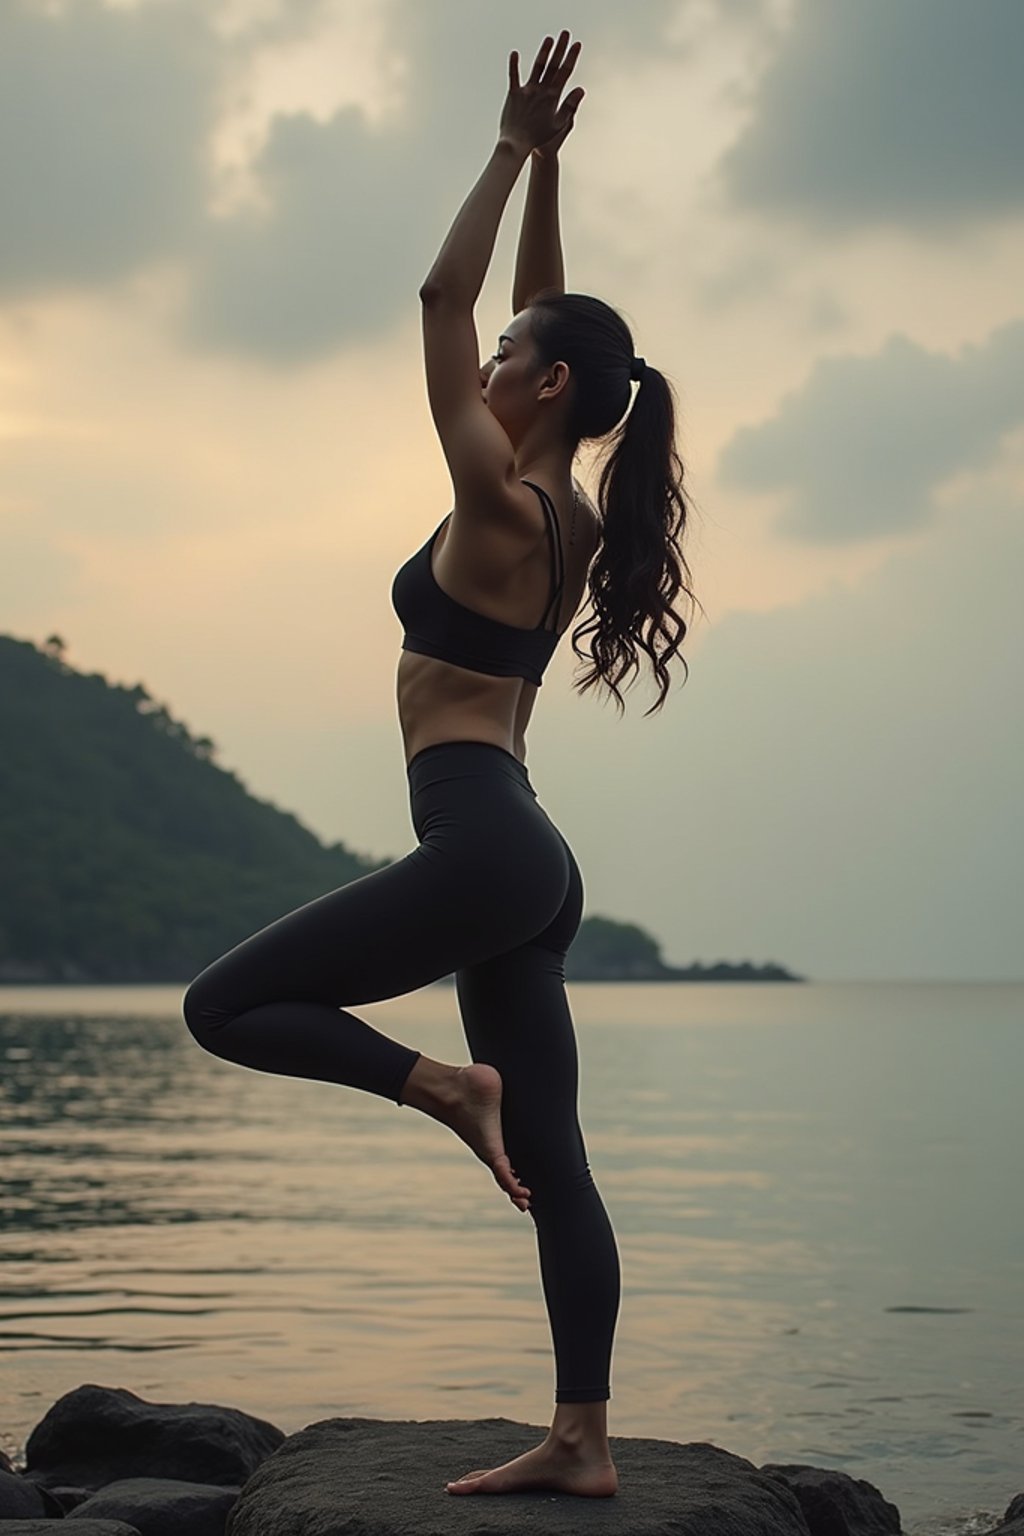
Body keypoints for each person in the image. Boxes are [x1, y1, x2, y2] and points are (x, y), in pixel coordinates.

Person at [183, 29, 697, 1500]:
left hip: (480, 844)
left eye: (505, 361)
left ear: (534, 394)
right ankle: (584, 1440)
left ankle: (438, 1091)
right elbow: (550, 324)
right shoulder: (571, 512)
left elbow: (441, 291)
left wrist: (496, 147)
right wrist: (548, 169)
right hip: (532, 862)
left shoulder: (492, 494)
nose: (484, 359)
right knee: (566, 1160)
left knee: (225, 1005)